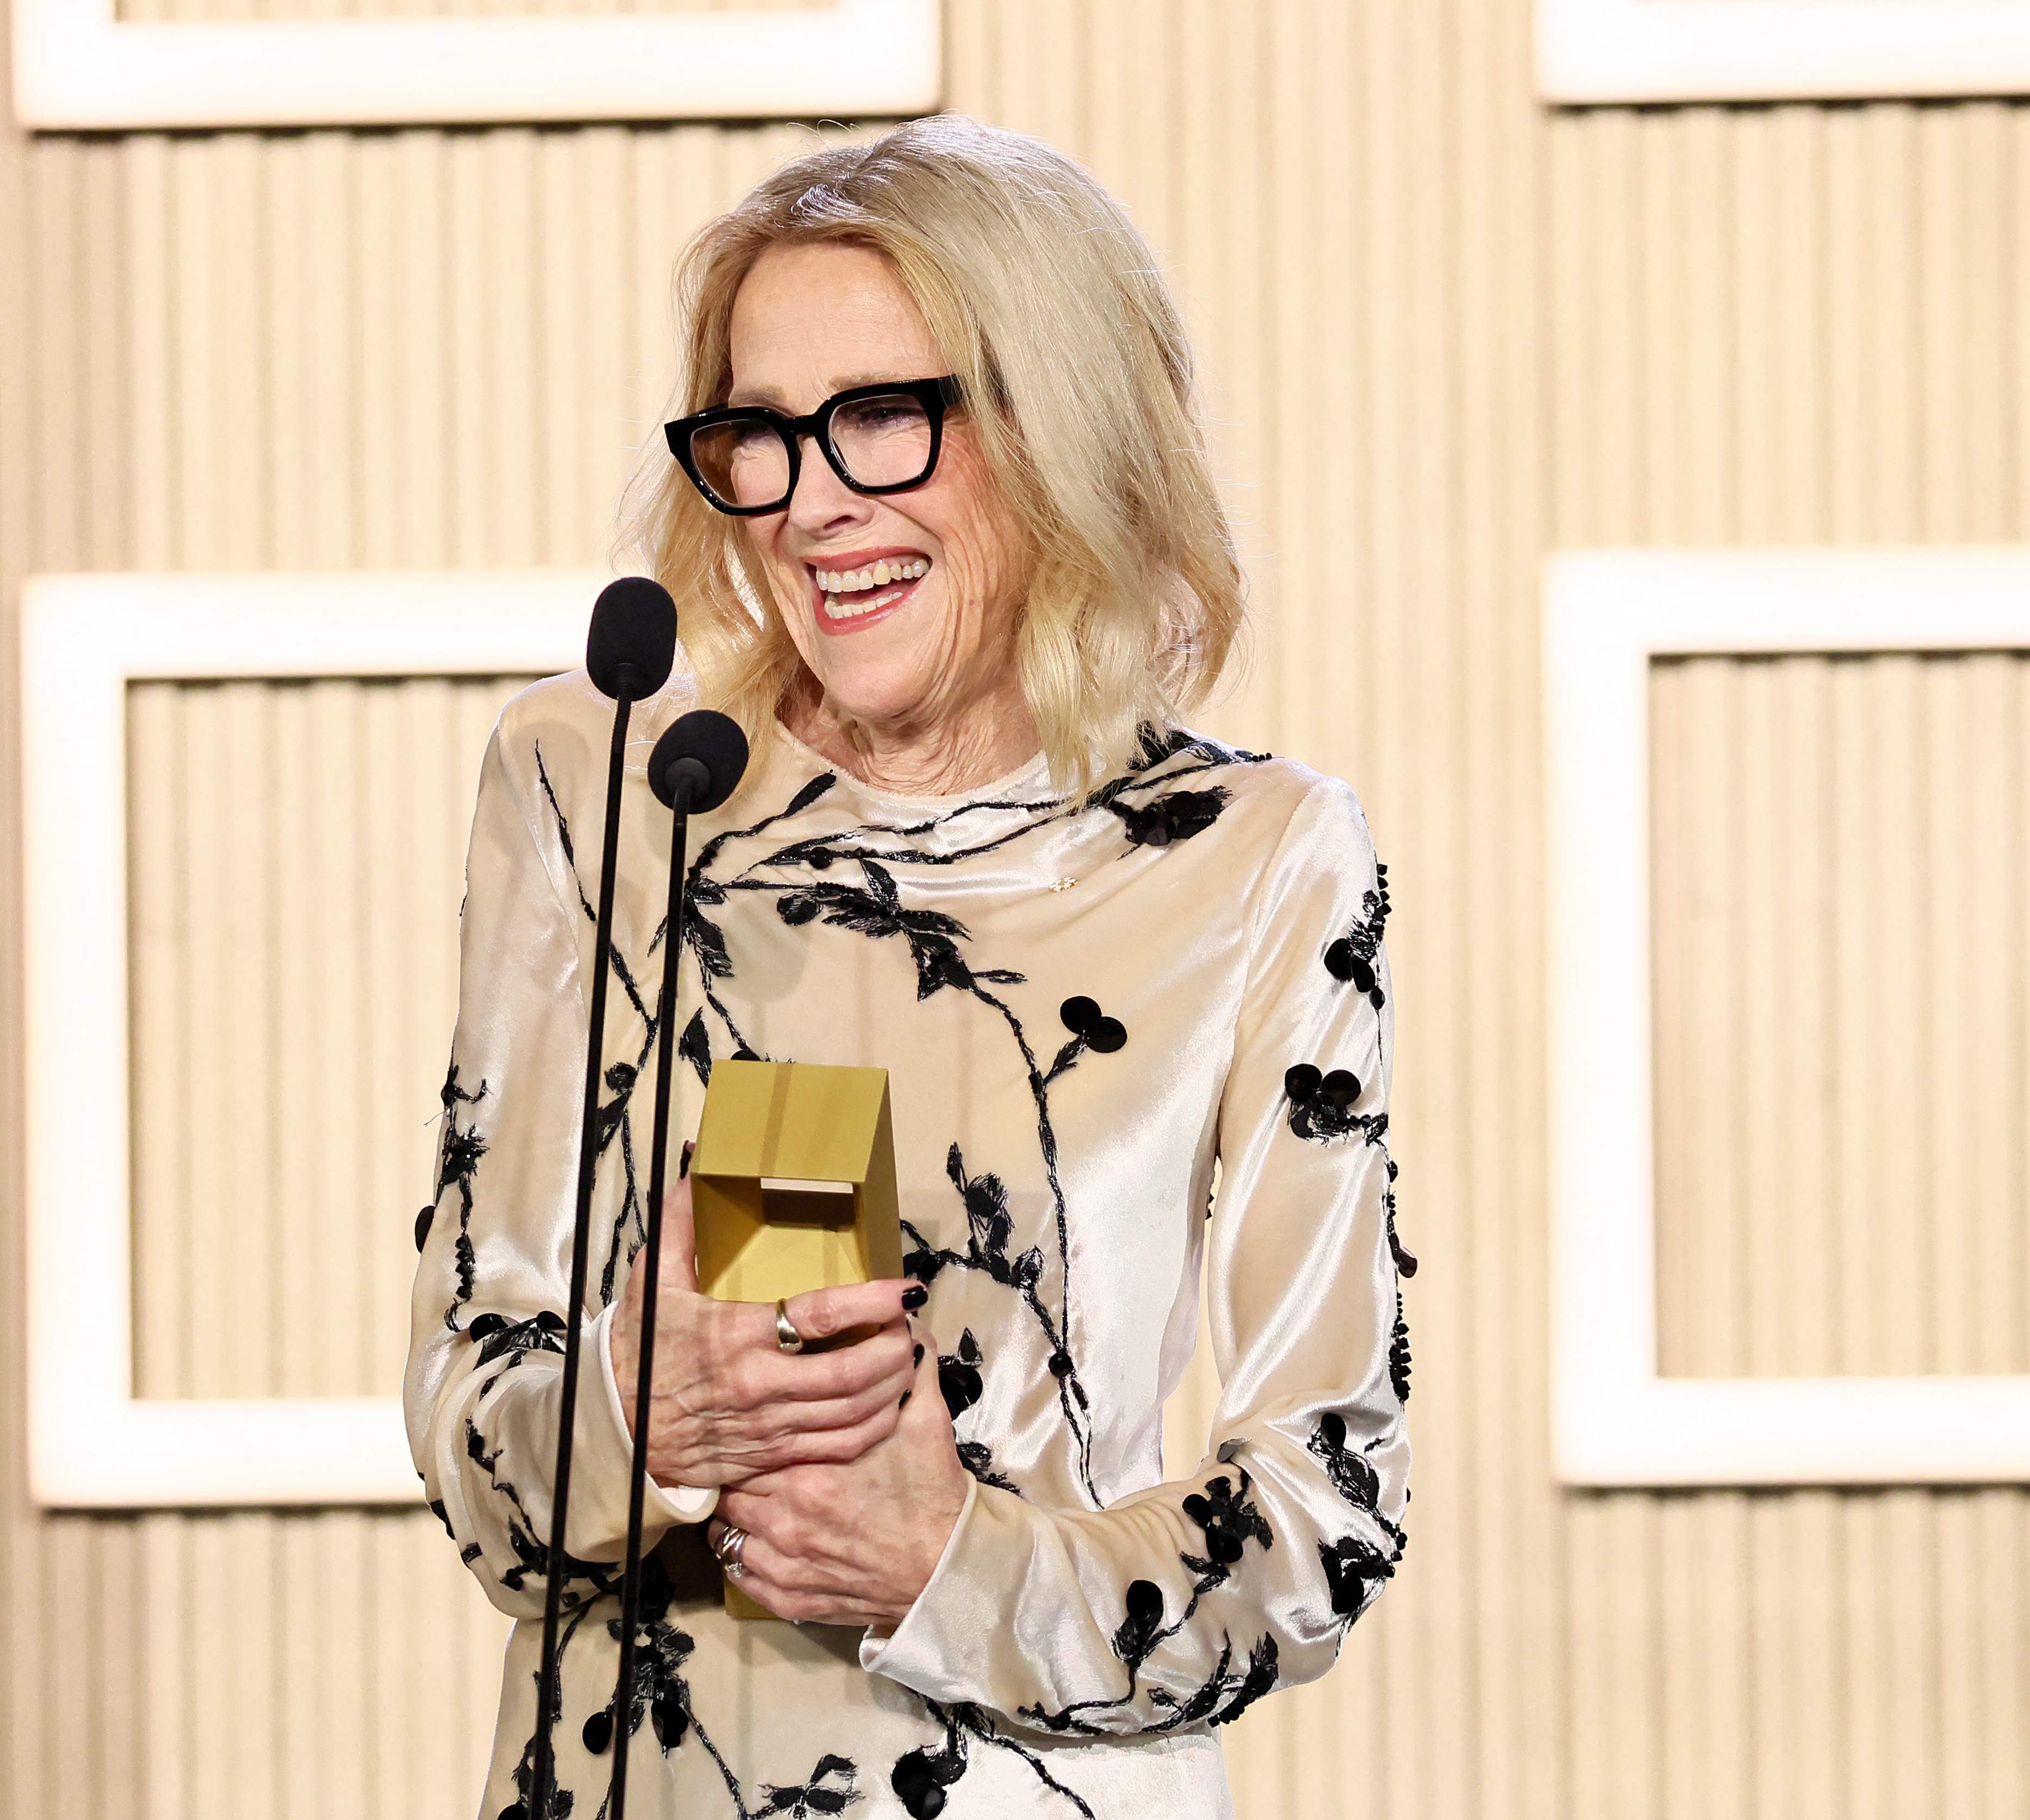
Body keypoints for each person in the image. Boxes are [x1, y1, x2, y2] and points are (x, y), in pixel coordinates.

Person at [404, 114, 1410, 1820]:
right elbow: (477, 1436)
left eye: (882, 420)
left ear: (1059, 426)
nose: (809, 508)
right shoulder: (608, 780)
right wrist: (640, 1422)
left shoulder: (1257, 860)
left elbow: (1324, 1522)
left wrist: (949, 1562)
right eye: (762, 435)